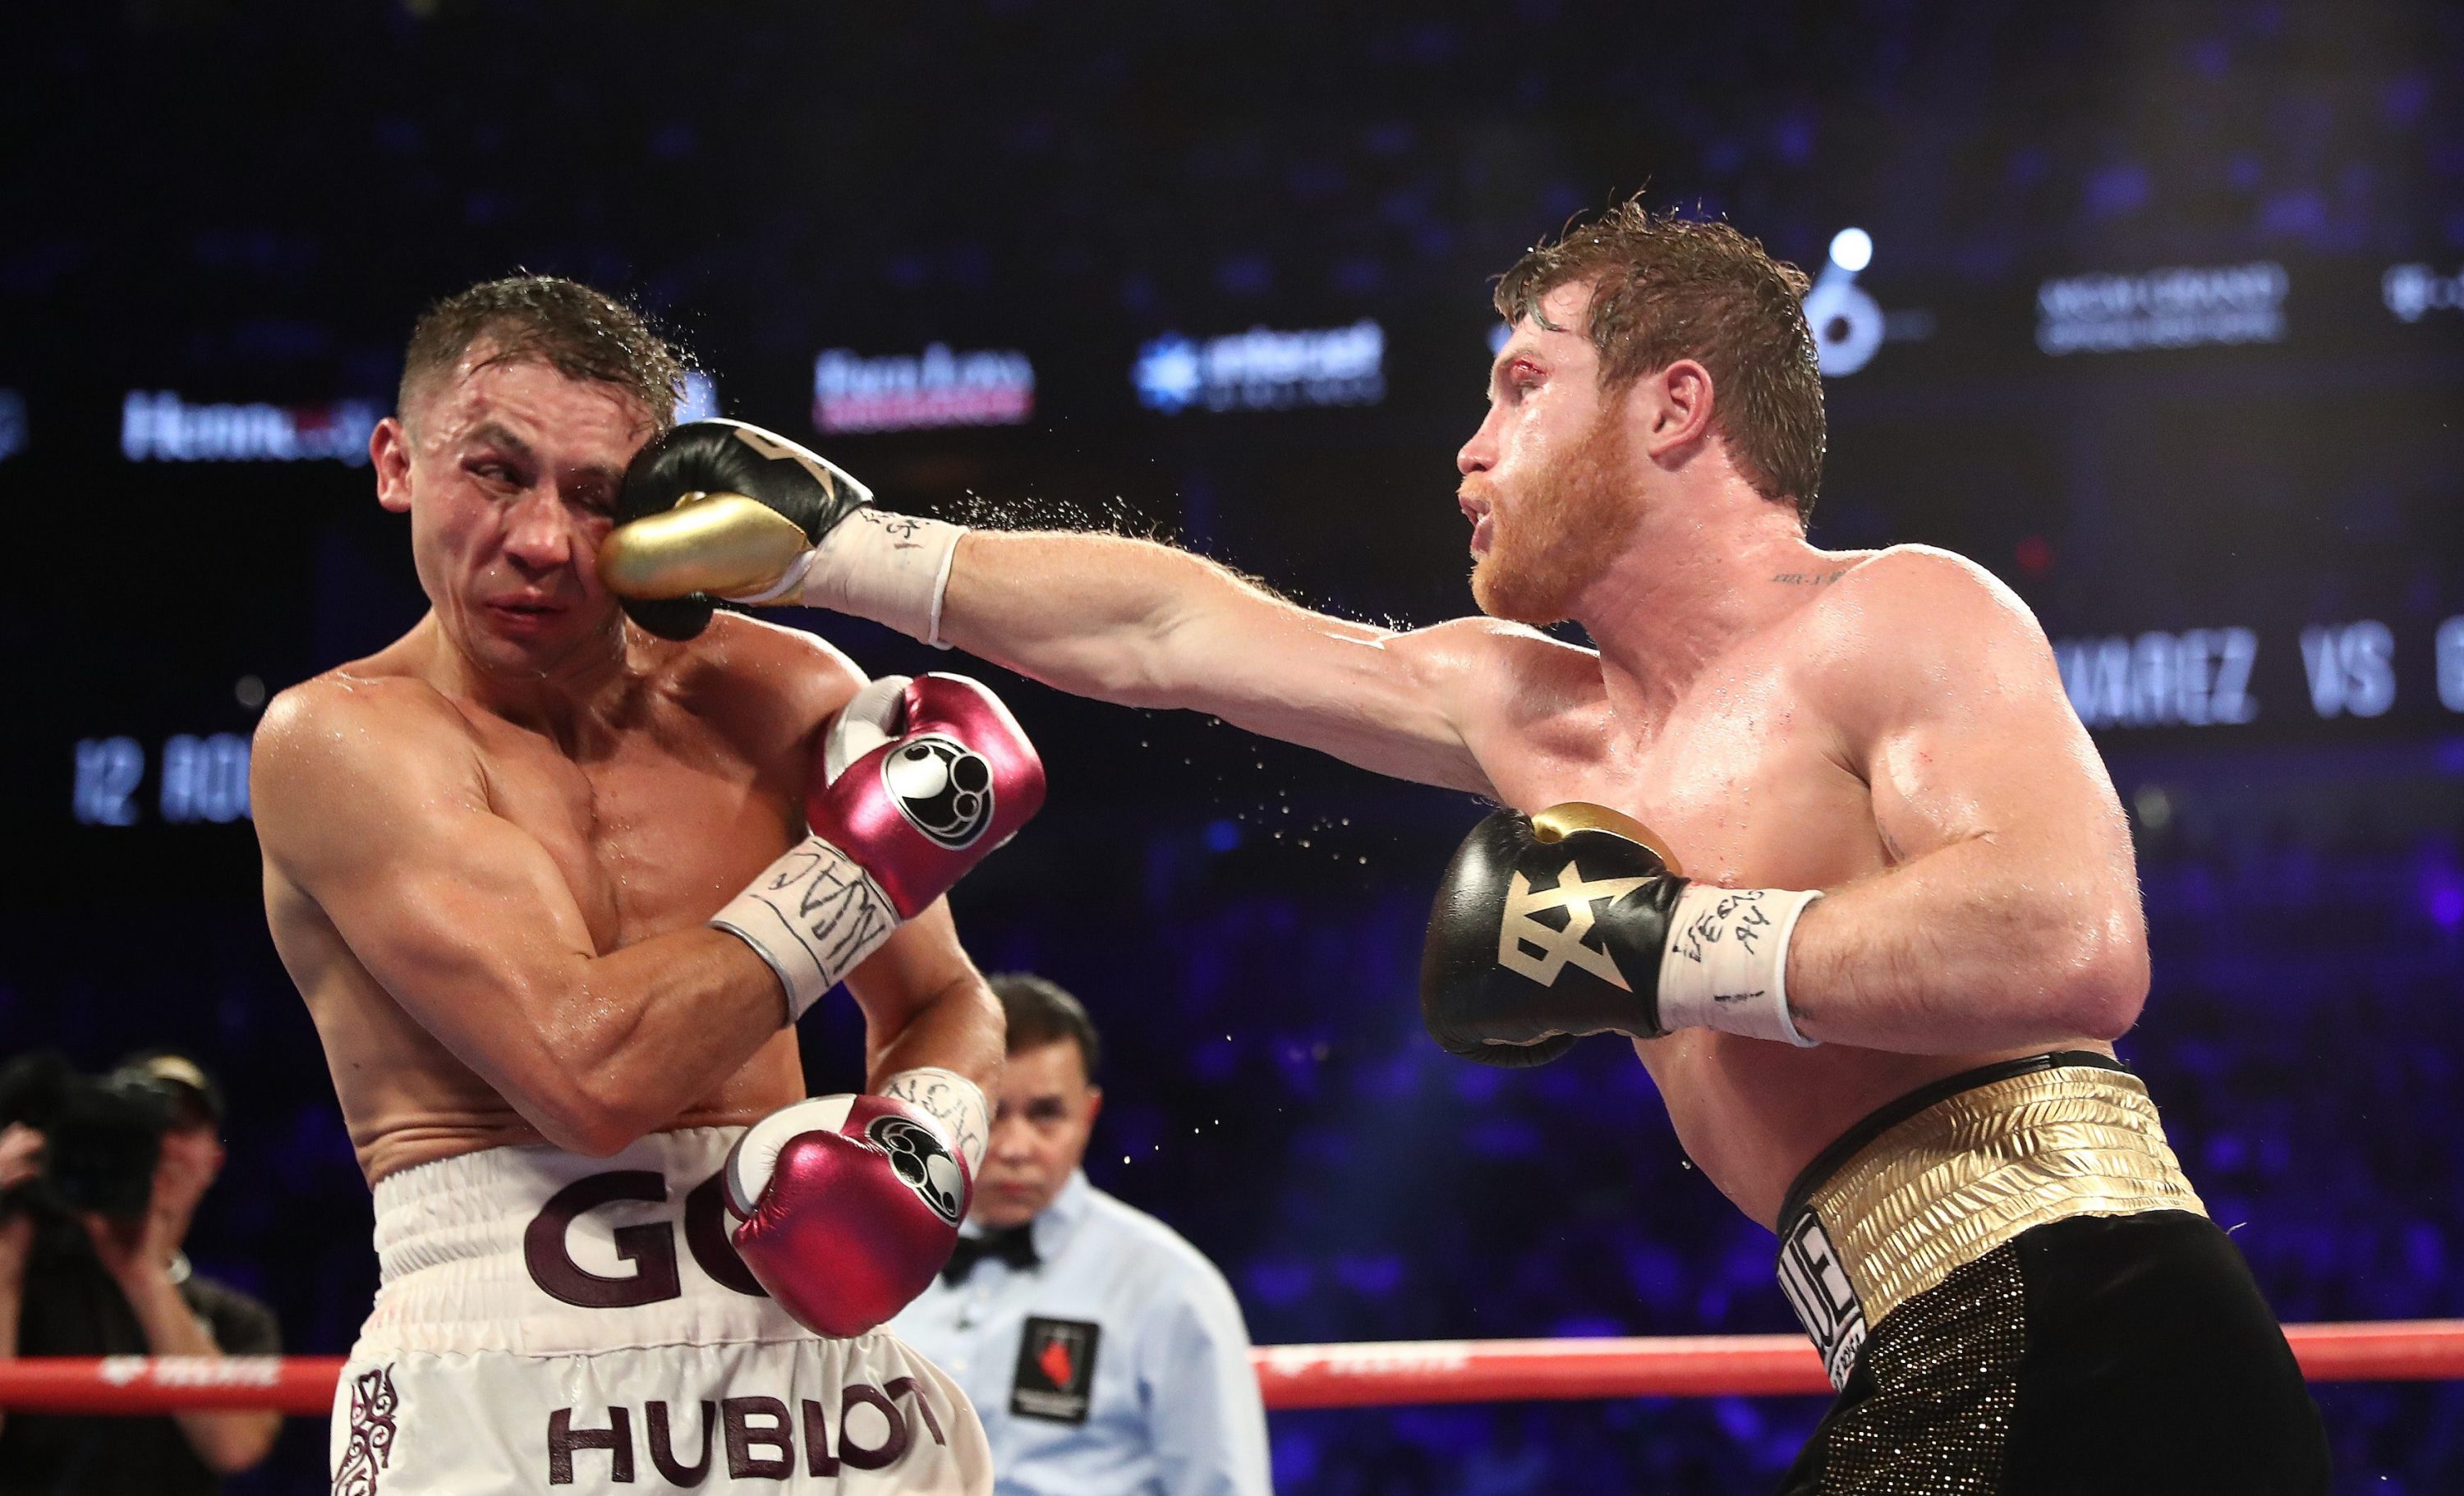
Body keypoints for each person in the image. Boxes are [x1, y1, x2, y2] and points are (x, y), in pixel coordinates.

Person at [603, 201, 2333, 1492]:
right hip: (1931, 1344)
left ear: (1671, 408)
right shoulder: (1534, 713)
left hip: (2097, 1320)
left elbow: (2075, 938)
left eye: (1519, 386)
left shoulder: (1896, 612)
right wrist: (851, 544)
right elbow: (1171, 632)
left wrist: (1671, 944)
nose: (1468, 446)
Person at [251, 275, 1046, 1494]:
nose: (543, 541)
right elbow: (589, 1073)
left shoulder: (781, 692)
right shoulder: (340, 741)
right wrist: (865, 864)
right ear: (396, 462)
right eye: (496, 472)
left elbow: (946, 1000)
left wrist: (925, 1146)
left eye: (597, 497)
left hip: (805, 1370)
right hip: (508, 1368)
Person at [892, 975, 1271, 1496]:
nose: (1016, 1147)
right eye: (992, 1113)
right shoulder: (877, 1268)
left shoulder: (1169, 1287)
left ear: (1088, 1116)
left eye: (1046, 1115)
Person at [0, 1052, 281, 1494]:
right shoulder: (27, 1287)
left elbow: (236, 1446)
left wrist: (142, 1272)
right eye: (149, 1125)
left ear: (213, 1161)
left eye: (184, 1127)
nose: (165, 1143)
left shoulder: (236, 1320)